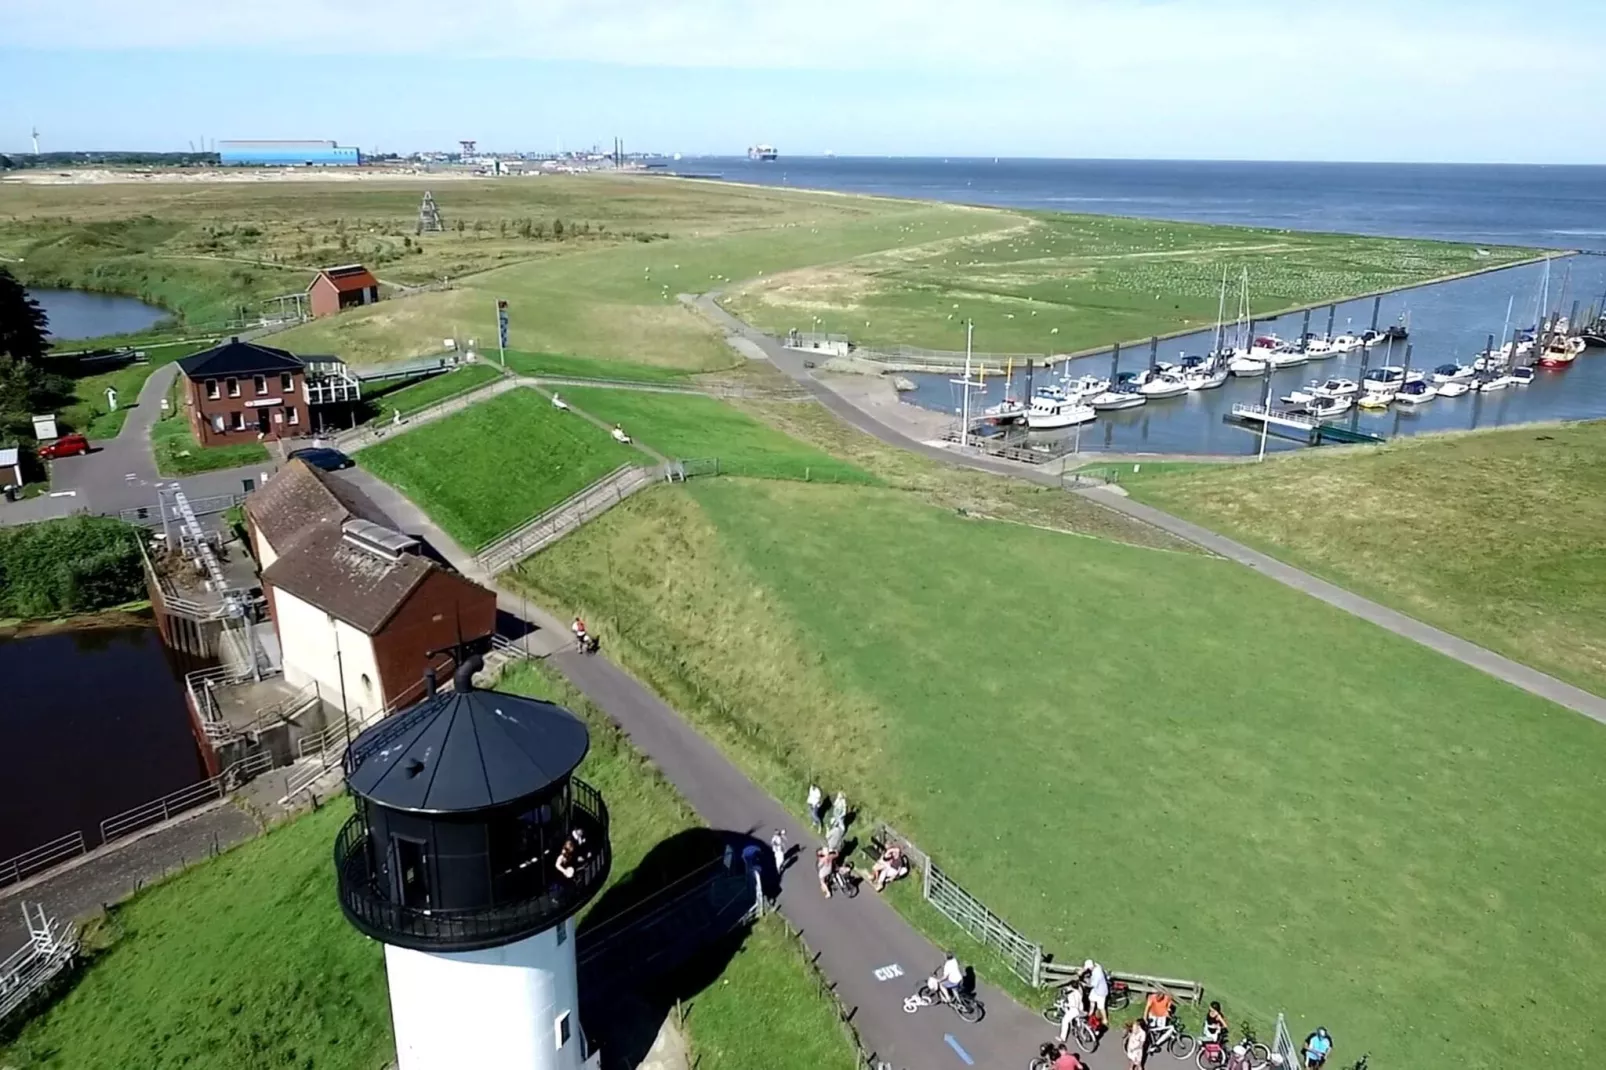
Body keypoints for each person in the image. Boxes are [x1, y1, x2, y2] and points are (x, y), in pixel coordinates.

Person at [1082, 960, 1110, 1026]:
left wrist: (1085, 984)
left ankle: (1105, 1019)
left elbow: (1092, 985)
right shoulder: (1097, 966)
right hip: (1097, 990)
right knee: (1091, 999)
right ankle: (1091, 1012)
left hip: (1101, 992)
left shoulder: (1097, 975)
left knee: (1101, 1007)